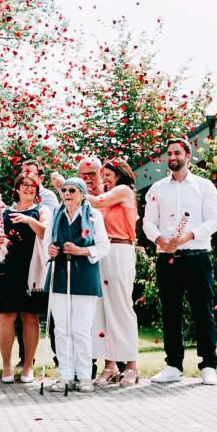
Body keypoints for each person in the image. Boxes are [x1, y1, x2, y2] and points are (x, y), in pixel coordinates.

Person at [143, 138, 217, 386]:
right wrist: (159, 239)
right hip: (168, 259)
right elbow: (148, 221)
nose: (173, 157)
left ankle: (208, 365)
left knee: (203, 312)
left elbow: (214, 221)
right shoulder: (157, 188)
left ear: (188, 155)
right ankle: (173, 365)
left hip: (197, 256)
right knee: (171, 313)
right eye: (169, 153)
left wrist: (189, 235)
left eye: (177, 152)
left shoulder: (204, 186)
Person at [44, 177, 110, 393]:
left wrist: (82, 251)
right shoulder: (56, 214)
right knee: (61, 329)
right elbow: (47, 242)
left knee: (81, 329)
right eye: (64, 190)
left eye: (72, 190)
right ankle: (65, 375)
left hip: (84, 276)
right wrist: (51, 250)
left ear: (82, 194)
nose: (67, 194)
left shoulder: (93, 215)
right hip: (60, 275)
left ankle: (84, 377)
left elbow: (103, 246)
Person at [0, 175, 51, 385]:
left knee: (30, 317)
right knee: (6, 316)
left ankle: (28, 365)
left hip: (31, 268)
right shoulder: (3, 210)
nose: (29, 188)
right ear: (17, 188)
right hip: (7, 267)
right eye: (24, 185)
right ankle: (6, 366)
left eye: (33, 186)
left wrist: (29, 220)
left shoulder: (41, 211)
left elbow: (46, 233)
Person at [87, 159, 140, 387]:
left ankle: (132, 365)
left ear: (120, 174)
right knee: (103, 310)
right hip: (103, 251)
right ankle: (110, 366)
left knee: (121, 306)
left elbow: (98, 201)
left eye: (108, 174)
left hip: (120, 249)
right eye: (103, 175)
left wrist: (67, 188)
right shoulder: (108, 198)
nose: (105, 179)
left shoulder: (123, 191)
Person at [16, 159, 59, 369]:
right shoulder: (18, 195)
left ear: (40, 177)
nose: (28, 178)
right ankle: (25, 358)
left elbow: (47, 227)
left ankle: (57, 356)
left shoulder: (48, 198)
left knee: (46, 312)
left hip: (42, 258)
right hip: (20, 256)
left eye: (31, 174)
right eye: (24, 174)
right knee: (20, 312)